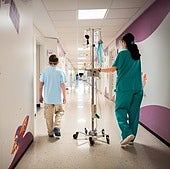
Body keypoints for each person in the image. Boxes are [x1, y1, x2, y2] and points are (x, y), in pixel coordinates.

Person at [96, 33, 143, 147]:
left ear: (124, 42)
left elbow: (112, 69)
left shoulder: (122, 54)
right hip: (137, 88)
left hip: (124, 88)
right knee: (134, 114)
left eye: (122, 42)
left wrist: (99, 69)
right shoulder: (136, 55)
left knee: (120, 111)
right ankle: (131, 138)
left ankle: (127, 133)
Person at [39, 54, 67, 138]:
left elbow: (41, 85)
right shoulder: (60, 72)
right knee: (60, 112)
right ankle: (57, 127)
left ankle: (50, 133)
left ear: (49, 62)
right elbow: (63, 85)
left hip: (48, 98)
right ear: (57, 62)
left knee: (48, 116)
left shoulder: (44, 72)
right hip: (57, 98)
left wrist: (40, 96)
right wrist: (65, 97)